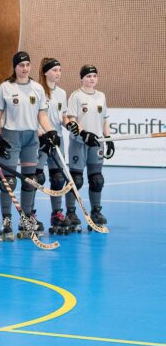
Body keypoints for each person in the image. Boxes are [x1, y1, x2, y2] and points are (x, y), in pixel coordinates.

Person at [0, 51, 61, 240]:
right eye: (21, 65)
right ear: (15, 67)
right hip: (10, 136)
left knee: (30, 180)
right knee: (8, 181)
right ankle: (6, 220)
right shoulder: (5, 87)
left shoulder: (37, 88)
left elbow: (42, 115)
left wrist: (51, 131)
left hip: (31, 137)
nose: (25, 68)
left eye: (27, 65)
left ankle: (26, 218)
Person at [64, 64, 112, 230]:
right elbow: (71, 120)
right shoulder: (76, 96)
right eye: (88, 76)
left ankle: (96, 212)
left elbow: (105, 119)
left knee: (97, 179)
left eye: (94, 76)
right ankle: (71, 212)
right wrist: (84, 134)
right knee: (76, 179)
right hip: (79, 142)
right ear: (82, 78)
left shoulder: (101, 96)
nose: (92, 79)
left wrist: (108, 138)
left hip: (97, 143)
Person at [36, 58, 70, 234]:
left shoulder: (62, 93)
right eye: (55, 70)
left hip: (57, 139)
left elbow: (63, 117)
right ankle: (29, 215)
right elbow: (32, 115)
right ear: (46, 72)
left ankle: (57, 213)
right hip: (41, 139)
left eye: (60, 70)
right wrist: (40, 133)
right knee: (36, 178)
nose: (58, 73)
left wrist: (70, 124)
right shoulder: (37, 90)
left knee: (58, 178)